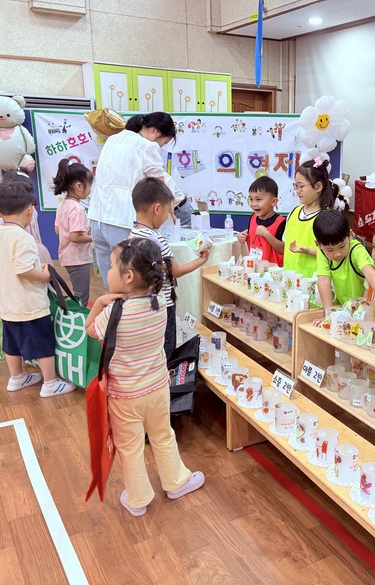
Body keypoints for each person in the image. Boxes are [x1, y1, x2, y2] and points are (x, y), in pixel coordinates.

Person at [85, 238, 204, 517]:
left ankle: (137, 499)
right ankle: (176, 482)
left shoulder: (113, 314)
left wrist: (100, 302)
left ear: (128, 276)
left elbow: (89, 329)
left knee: (130, 447)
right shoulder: (159, 302)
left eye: (111, 265)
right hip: (158, 388)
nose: (108, 270)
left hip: (125, 397)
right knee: (163, 435)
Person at [0, 177, 75, 397]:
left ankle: (16, 378)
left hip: (8, 304)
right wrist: (45, 275)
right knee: (43, 344)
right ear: (30, 210)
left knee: (12, 344)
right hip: (29, 305)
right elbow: (24, 270)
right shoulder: (24, 238)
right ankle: (50, 383)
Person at [88, 112, 191, 289]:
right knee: (131, 282)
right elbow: (160, 187)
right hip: (121, 219)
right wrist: (170, 211)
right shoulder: (146, 146)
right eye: (164, 142)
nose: (161, 146)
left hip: (97, 218)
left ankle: (112, 307)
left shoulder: (113, 139)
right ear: (156, 132)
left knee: (110, 281)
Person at [129, 177, 210, 358]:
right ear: (157, 209)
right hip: (163, 305)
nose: (169, 217)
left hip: (143, 305)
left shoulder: (132, 235)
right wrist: (201, 261)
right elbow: (176, 271)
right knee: (166, 350)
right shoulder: (156, 239)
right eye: (168, 212)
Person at [314, 210, 375, 316]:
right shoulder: (322, 251)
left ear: (350, 235)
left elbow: (370, 272)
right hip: (344, 309)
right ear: (318, 244)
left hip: (363, 310)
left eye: (342, 246)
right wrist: (328, 313)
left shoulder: (356, 249)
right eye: (330, 250)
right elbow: (323, 280)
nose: (337, 254)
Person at [283, 158, 336, 277]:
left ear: (318, 187)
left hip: (314, 283)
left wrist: (308, 251)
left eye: (301, 186)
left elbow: (335, 252)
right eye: (296, 186)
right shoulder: (293, 213)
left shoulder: (326, 217)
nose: (297, 191)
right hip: (289, 281)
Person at [53, 159, 93, 305]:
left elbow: (58, 230)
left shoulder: (62, 205)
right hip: (78, 259)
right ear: (79, 186)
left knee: (77, 291)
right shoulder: (77, 209)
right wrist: (94, 237)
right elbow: (75, 237)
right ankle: (78, 316)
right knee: (82, 296)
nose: (90, 189)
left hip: (68, 257)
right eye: (90, 185)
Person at [237, 176, 285, 266]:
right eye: (251, 199)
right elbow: (250, 234)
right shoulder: (253, 217)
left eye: (258, 199)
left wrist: (266, 234)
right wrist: (242, 236)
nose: (253, 204)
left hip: (272, 271)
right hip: (253, 268)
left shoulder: (281, 222)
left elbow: (283, 249)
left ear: (273, 202)